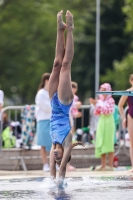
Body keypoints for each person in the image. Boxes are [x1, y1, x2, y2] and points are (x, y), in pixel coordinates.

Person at [48, 10, 83, 186]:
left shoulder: (53, 145)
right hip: (63, 104)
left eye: (55, 159)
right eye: (58, 158)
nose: (55, 157)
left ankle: (59, 29)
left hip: (53, 103)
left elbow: (52, 172)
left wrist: (51, 182)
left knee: (56, 64)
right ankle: (70, 28)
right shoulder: (67, 140)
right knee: (65, 66)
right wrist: (59, 187)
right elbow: (61, 170)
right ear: (65, 157)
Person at [90, 83, 115, 171]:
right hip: (101, 122)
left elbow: (107, 111)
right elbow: (96, 113)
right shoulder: (100, 101)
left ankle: (110, 165)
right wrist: (95, 104)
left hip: (108, 123)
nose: (103, 93)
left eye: (104, 91)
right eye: (102, 91)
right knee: (101, 142)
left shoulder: (111, 100)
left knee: (108, 143)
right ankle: (103, 165)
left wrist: (97, 105)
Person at [35, 73, 52, 172]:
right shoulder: (41, 93)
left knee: (53, 143)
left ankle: (53, 163)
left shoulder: (53, 92)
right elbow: (47, 108)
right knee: (43, 144)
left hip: (52, 119)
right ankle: (45, 164)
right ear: (46, 80)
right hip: (43, 120)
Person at [118, 74, 133, 172]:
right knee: (132, 143)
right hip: (131, 116)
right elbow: (120, 105)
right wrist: (123, 118)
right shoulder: (127, 92)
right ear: (131, 81)